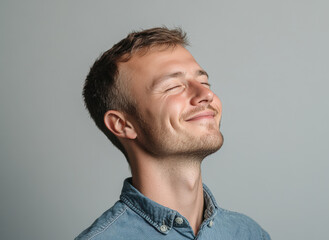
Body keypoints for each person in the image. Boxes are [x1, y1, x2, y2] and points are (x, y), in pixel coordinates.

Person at [75, 27, 270, 240]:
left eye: (204, 82)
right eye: (173, 87)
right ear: (123, 125)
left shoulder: (249, 234)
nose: (206, 94)